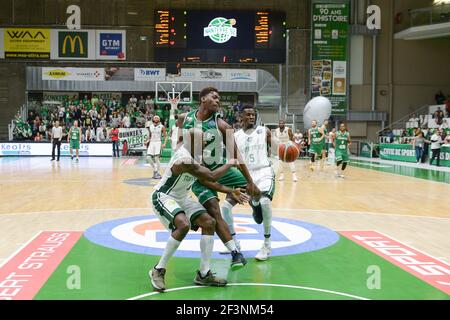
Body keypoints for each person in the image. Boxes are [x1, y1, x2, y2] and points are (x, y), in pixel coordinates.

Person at [150, 128, 248, 291]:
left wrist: (231, 191)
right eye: (201, 140)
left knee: (209, 222)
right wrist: (231, 162)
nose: (205, 142)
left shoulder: (197, 156)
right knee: (183, 224)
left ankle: (203, 274)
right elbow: (212, 176)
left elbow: (207, 181)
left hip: (182, 198)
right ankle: (158, 270)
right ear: (191, 142)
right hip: (164, 196)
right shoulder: (184, 160)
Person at [179, 87, 261, 269]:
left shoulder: (223, 126)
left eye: (219, 98)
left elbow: (236, 155)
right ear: (202, 98)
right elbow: (178, 142)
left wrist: (249, 181)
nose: (217, 100)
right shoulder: (184, 119)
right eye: (214, 97)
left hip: (221, 169)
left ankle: (255, 204)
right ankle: (235, 253)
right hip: (198, 175)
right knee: (214, 212)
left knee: (258, 192)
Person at [228, 105, 275, 261]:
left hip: (263, 172)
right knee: (225, 207)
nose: (251, 117)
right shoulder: (235, 136)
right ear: (241, 117)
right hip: (245, 175)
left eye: (253, 115)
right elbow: (233, 160)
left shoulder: (264, 131)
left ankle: (267, 244)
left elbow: (277, 148)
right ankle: (234, 243)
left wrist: (286, 150)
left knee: (265, 202)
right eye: (247, 115)